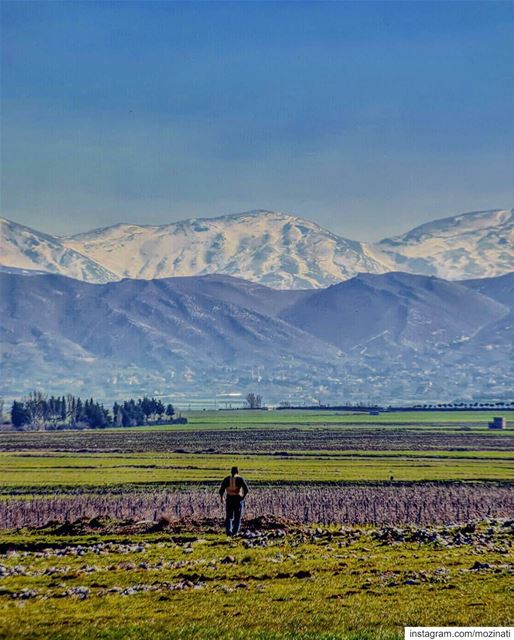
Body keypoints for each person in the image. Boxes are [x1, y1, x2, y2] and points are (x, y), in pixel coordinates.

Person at [219, 466, 249, 536]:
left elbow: (221, 490)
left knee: (229, 516)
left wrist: (221, 498)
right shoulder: (240, 479)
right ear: (238, 472)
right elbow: (246, 490)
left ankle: (229, 532)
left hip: (229, 499)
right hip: (237, 499)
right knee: (237, 517)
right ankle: (235, 532)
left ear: (231, 472)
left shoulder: (226, 479)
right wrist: (243, 497)